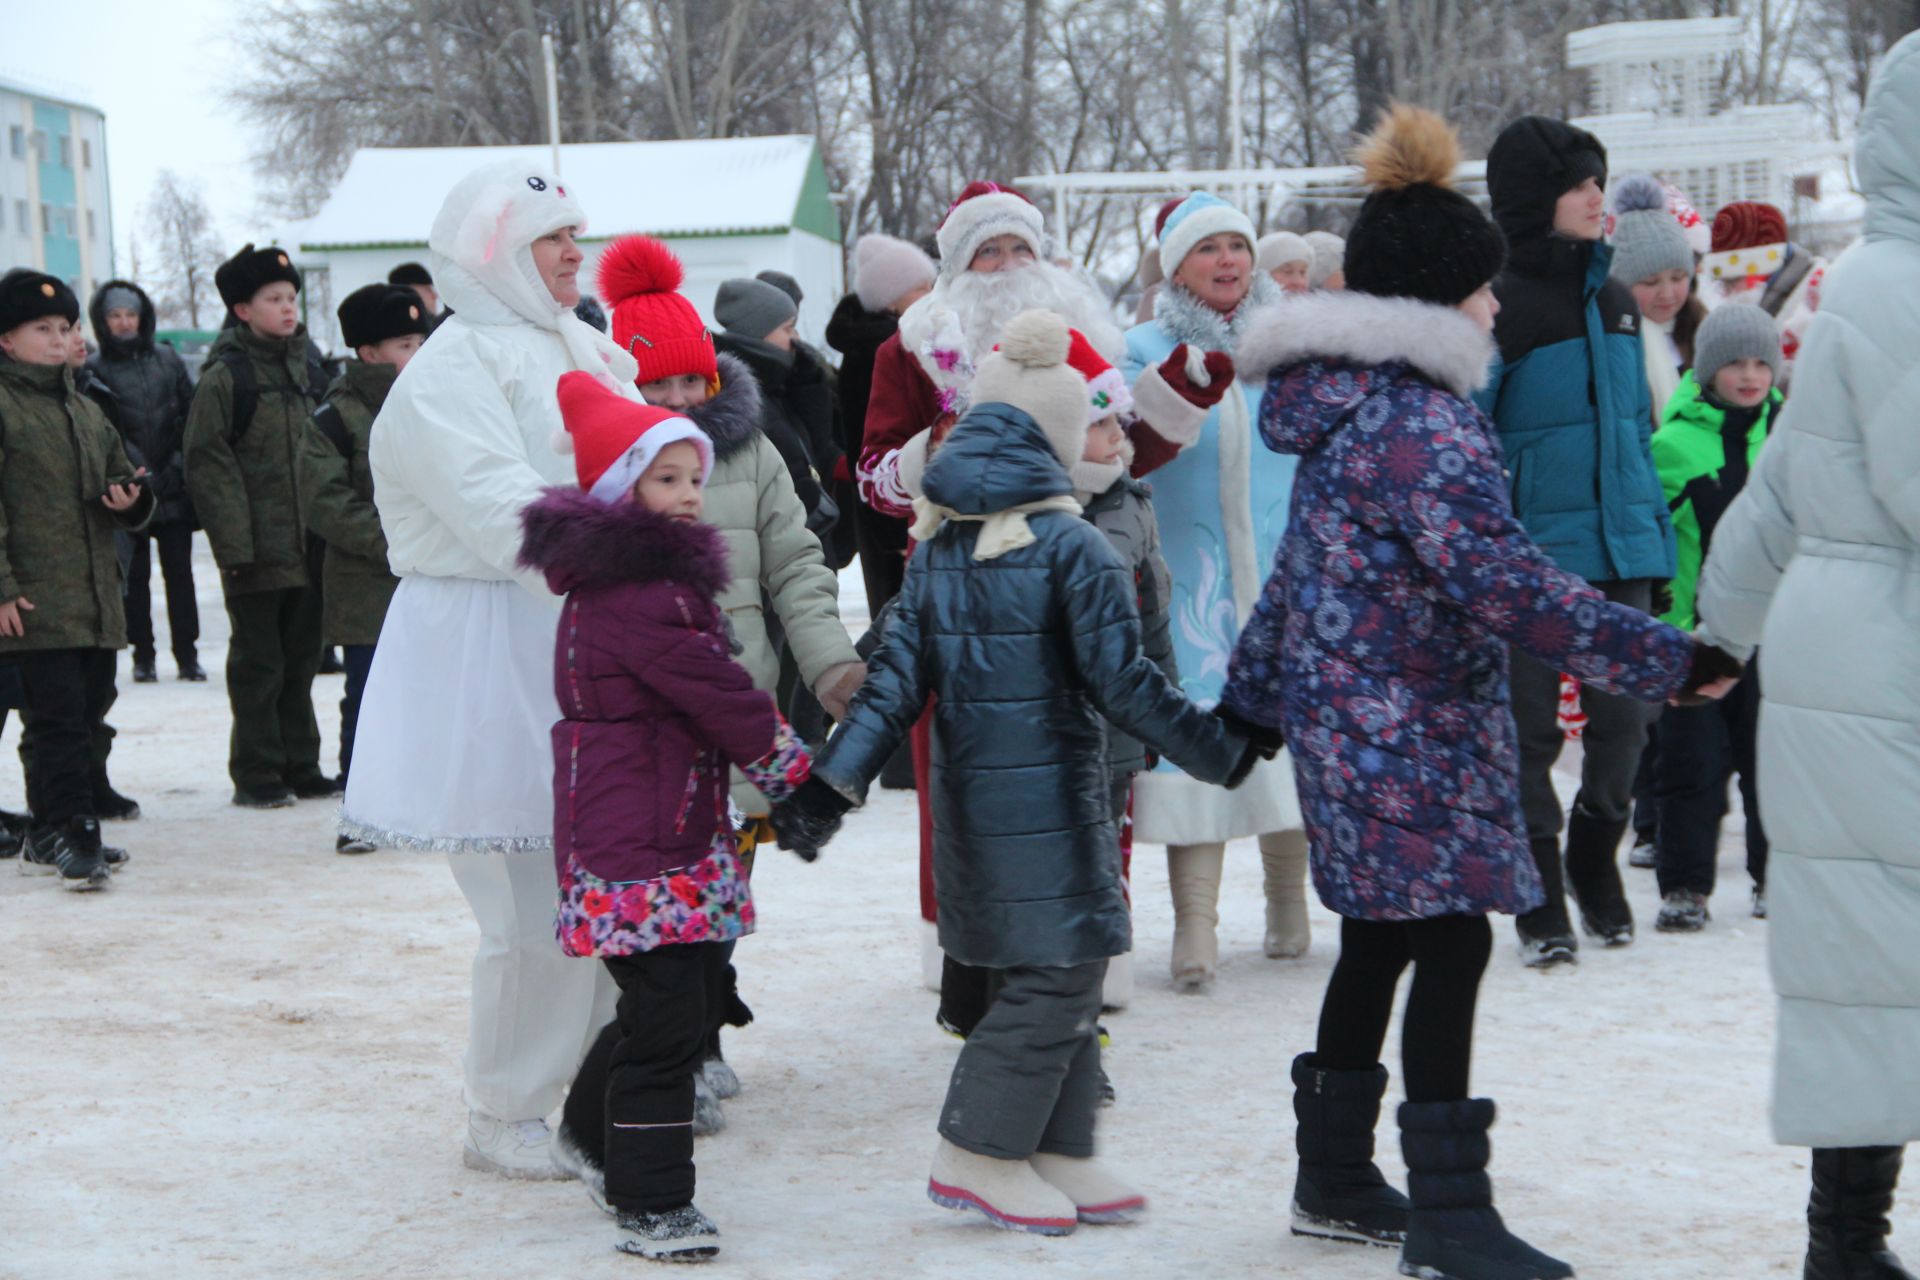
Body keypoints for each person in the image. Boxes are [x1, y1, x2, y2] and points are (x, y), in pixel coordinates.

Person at [1223, 104, 1741, 1280]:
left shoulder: (1349, 414)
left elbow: (1300, 577)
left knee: (1384, 941)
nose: (1498, 308)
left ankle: (1336, 1173)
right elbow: (1510, 586)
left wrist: (1252, 703)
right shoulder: (1422, 423)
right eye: (1484, 291)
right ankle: (1450, 1214)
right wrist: (1669, 658)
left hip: (1355, 727)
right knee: (1450, 941)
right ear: (1440, 302)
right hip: (1406, 728)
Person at [774, 310, 1266, 1236]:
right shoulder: (1072, 546)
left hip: (976, 813)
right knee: (1057, 977)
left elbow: (887, 693)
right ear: (1051, 441)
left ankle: (1060, 1148)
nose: (1105, 439)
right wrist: (1224, 747)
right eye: (1089, 424)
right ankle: (981, 1151)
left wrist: (824, 790)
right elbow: (1127, 682)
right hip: (1051, 807)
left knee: (1058, 969)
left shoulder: (940, 550)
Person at [341, 160, 639, 1180]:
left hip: (590, 635)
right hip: (491, 646)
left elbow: (652, 467)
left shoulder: (585, 346)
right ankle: (505, 1104)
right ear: (496, 251)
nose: (575, 253)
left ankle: (602, 1089)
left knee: (605, 881)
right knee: (530, 901)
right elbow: (501, 503)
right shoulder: (452, 367)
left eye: (576, 235)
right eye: (554, 236)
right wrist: (625, 557)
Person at [1695, 33, 1920, 1278]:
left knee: (1868, 960)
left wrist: (1721, 632)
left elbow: (1774, 492)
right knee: (1884, 956)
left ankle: (1847, 1238)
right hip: (1892, 657)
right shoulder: (1910, 290)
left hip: (1841, 649)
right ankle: (1849, 1242)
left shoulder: (1860, 282)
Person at [520, 371, 813, 1262]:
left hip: (657, 824)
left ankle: (587, 1131)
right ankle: (651, 1201)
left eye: (694, 479)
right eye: (667, 480)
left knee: (661, 1002)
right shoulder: (641, 593)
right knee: (669, 1024)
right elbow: (722, 697)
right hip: (642, 838)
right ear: (621, 491)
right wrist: (798, 775)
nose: (691, 496)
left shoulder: (637, 583)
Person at [596, 234, 864, 1118]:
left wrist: (829, 664)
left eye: (688, 382)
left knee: (722, 896)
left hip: (739, 718)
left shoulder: (750, 454)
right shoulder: (611, 469)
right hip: (644, 736)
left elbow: (797, 565)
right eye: (654, 385)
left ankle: (703, 1030)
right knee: (655, 910)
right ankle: (662, 1049)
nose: (674, 400)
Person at [855, 179, 1127, 993]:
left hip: (1064, 585)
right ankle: (965, 958)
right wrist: (931, 452)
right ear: (957, 267)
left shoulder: (1081, 340)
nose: (1007, 267)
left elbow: (1121, 451)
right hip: (957, 596)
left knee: (1081, 764)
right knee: (963, 772)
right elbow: (873, 480)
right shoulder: (908, 349)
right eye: (988, 251)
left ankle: (1084, 947)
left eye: (1019, 249)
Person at [1474, 117, 1676, 966]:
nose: (1600, 198)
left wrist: (1656, 555)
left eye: (1602, 183)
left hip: (1621, 551)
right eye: (1581, 185)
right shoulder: (1497, 305)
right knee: (1528, 736)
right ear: (1535, 201)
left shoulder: (1619, 302)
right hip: (1529, 564)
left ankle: (1597, 850)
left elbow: (1637, 438)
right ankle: (1540, 890)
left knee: (1626, 726)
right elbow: (1473, 441)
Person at [1119, 189, 1311, 990]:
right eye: (1209, 248)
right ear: (1177, 266)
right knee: (1193, 744)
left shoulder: (1290, 344)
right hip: (1193, 589)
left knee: (1293, 742)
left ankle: (1288, 900)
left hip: (1284, 578)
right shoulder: (1139, 346)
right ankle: (1195, 923)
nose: (1229, 260)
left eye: (1238, 245)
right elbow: (1124, 452)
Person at [0, 269, 153, 889]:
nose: (59, 339)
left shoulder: (87, 409)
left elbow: (127, 480)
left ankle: (49, 828)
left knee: (86, 711)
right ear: (6, 340)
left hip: (92, 596)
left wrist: (129, 500)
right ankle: (71, 828)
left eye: (65, 328)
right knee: (58, 719)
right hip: (35, 596)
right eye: (42, 329)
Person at [183, 244, 333, 809]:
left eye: (292, 297)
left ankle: (302, 762)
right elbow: (207, 462)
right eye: (274, 299)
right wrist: (235, 545)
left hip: (308, 547)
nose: (288, 308)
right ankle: (257, 769)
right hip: (256, 550)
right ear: (243, 309)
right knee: (259, 665)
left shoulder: (311, 370)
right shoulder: (228, 377)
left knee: (301, 661)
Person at [1648, 304, 1781, 932]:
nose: (1750, 375)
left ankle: (1776, 877)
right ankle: (1684, 886)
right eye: (1735, 362)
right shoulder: (1673, 444)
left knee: (1773, 763)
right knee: (1691, 764)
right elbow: (1658, 546)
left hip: (1777, 636)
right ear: (1707, 369)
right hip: (1697, 636)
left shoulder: (1789, 437)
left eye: (1762, 361)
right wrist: (1666, 627)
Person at [296, 284, 428, 852]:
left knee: (427, 695)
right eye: (405, 343)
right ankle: (360, 808)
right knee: (369, 695)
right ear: (368, 351)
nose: (418, 353)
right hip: (367, 584)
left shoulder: (433, 400)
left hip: (429, 577)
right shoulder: (335, 416)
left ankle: (418, 804)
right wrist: (396, 541)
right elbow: (326, 500)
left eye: (422, 340)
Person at [87, 279, 202, 684]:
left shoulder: (168, 361)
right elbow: (104, 427)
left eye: (130, 314)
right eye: (115, 315)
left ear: (143, 317)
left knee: (180, 575)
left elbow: (191, 417)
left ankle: (188, 655)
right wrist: (136, 469)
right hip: (130, 490)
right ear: (103, 321)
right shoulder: (94, 369)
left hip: (172, 487)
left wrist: (174, 463)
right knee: (135, 578)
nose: (123, 323)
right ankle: (144, 655)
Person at [826, 233, 935, 616]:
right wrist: (892, 532)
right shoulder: (882, 352)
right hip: (892, 519)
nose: (931, 293)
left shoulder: (884, 344)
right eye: (921, 287)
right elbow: (868, 444)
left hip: (895, 512)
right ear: (891, 299)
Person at [1699, 200, 1824, 386]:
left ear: (1759, 272)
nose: (1726, 294)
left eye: (1731, 281)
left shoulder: (1811, 310)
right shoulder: (1784, 305)